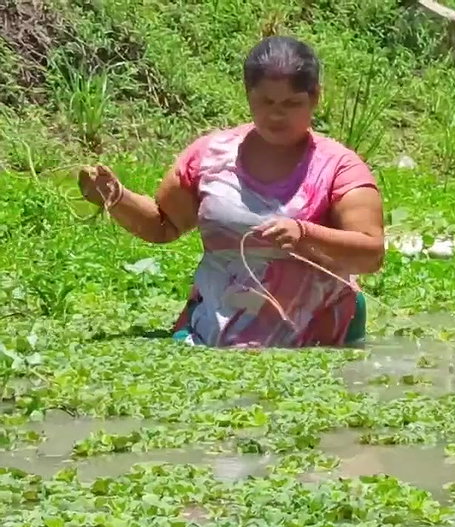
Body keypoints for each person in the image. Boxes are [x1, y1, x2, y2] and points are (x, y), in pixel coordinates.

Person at [77, 35, 384, 348]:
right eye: (266, 102)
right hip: (212, 333)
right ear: (248, 96)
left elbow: (371, 255)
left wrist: (305, 234)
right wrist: (116, 197)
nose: (277, 115)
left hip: (318, 339)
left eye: (292, 103)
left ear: (315, 97)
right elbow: (163, 224)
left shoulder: (338, 167)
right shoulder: (211, 157)